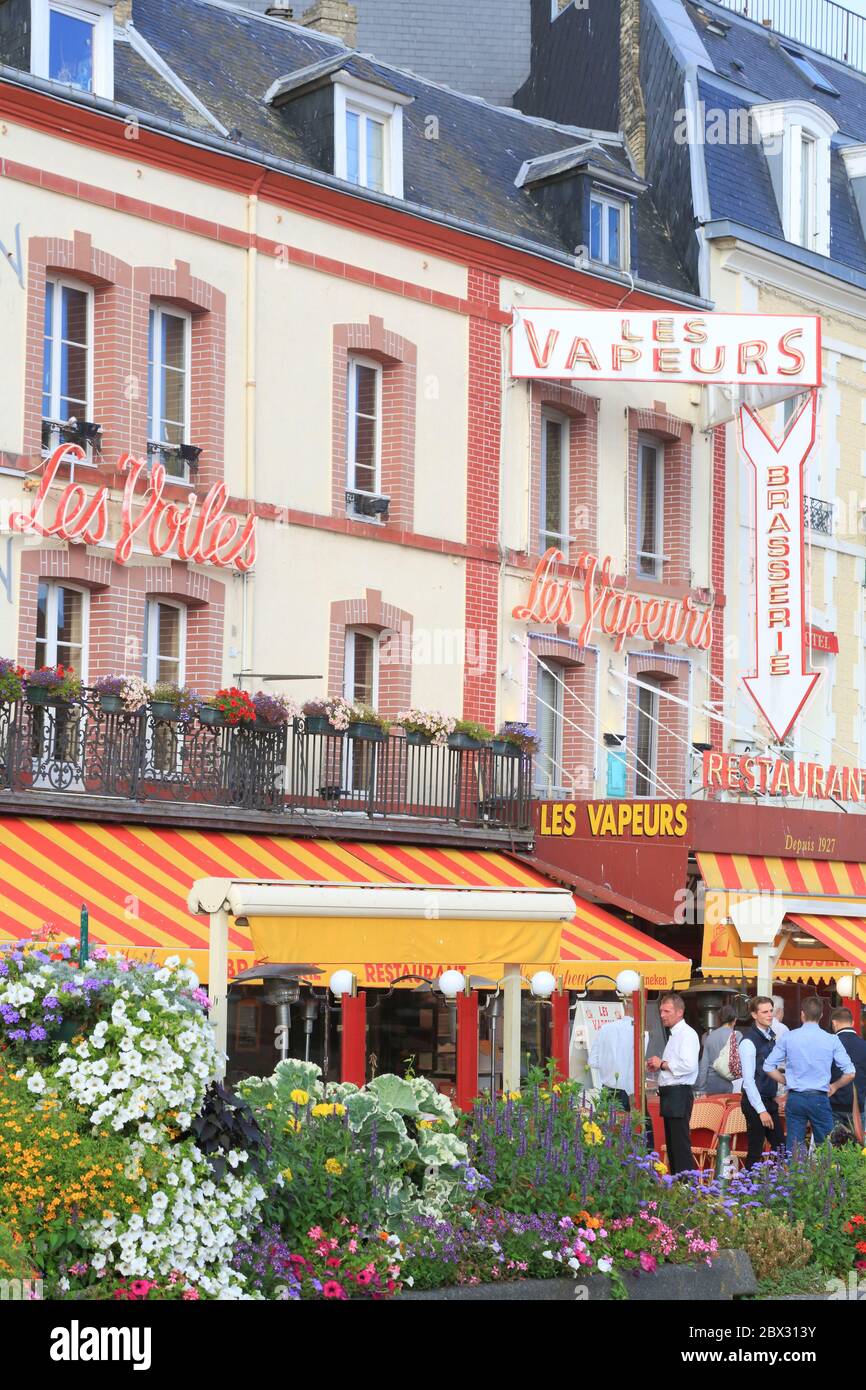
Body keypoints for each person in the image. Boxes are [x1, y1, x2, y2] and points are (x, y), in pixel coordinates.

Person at [763, 996, 855, 1151]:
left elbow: (768, 1066)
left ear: (802, 1014)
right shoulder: (831, 1039)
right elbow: (850, 1073)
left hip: (795, 1097)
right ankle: (827, 1174)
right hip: (819, 1097)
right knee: (828, 1148)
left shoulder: (789, 1037)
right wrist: (835, 1086)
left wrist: (786, 1080)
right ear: (821, 1016)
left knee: (794, 1148)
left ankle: (795, 1174)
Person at [647, 992, 699, 1175]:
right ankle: (679, 1181)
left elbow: (689, 1065)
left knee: (679, 1143)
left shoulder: (687, 1034)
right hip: (671, 1093)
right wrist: (660, 1066)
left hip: (679, 1093)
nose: (662, 1015)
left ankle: (686, 1184)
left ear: (679, 1012)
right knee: (672, 1143)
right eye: (661, 1011)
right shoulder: (675, 1035)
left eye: (666, 1011)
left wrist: (661, 1063)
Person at [739, 996, 785, 1168]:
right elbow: (749, 1081)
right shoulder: (749, 1041)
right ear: (754, 1014)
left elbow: (770, 1069)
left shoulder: (770, 1036)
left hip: (767, 1100)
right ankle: (748, 1190)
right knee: (756, 1150)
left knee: (781, 1147)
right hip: (754, 1102)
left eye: (771, 1011)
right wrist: (761, 1110)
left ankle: (772, 1185)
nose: (769, 1015)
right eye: (764, 1012)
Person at [589, 1006, 636, 1110]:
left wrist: (609, 1066)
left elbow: (593, 1061)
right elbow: (638, 1064)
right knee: (633, 1125)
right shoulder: (640, 1031)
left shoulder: (605, 1028)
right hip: (630, 1092)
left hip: (607, 1089)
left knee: (605, 1124)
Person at [829, 1007, 866, 1134]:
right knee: (858, 1149)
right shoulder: (864, 1045)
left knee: (832, 1150)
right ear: (853, 1023)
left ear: (834, 1023)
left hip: (834, 1104)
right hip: (858, 1105)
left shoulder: (830, 1044)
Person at [696, 1004, 741, 1096]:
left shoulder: (710, 1037)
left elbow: (703, 1066)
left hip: (711, 1082)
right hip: (730, 1082)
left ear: (720, 1019)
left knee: (712, 1110)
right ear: (735, 1019)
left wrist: (701, 1089)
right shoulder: (737, 1036)